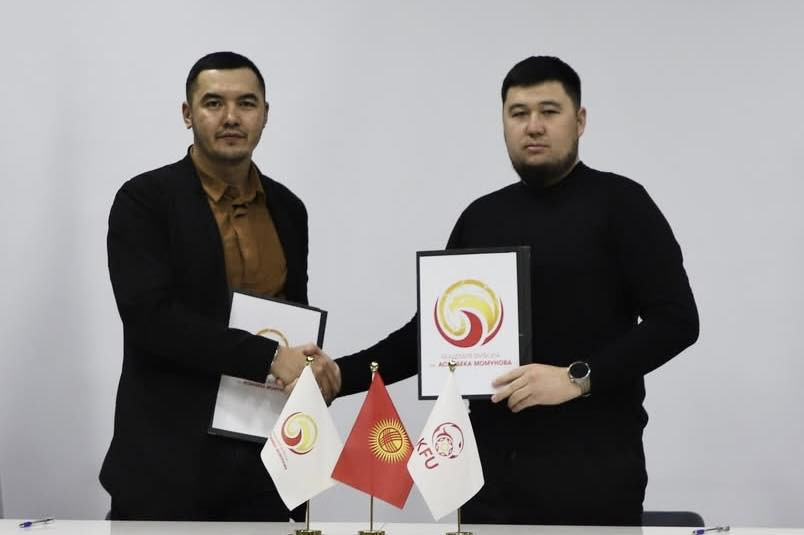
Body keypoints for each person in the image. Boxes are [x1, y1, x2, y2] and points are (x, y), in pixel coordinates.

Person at [335, 56, 699, 525]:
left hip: (595, 476)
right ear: (504, 123)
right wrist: (338, 376)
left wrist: (576, 378)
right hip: (490, 482)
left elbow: (677, 321)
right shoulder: (481, 217)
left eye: (549, 111)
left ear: (580, 121)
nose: (533, 126)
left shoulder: (621, 203)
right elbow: (431, 335)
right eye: (519, 113)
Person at [101, 51, 340, 521]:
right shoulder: (144, 201)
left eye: (246, 103)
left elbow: (291, 315)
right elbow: (152, 320)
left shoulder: (289, 208)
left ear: (265, 114)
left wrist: (310, 367)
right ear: (187, 114)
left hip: (266, 467)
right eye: (214, 103)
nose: (231, 117)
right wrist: (271, 358)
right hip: (165, 472)